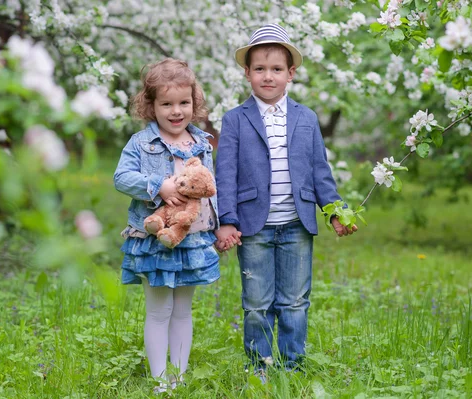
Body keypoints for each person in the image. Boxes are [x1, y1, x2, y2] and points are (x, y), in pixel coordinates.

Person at [214, 24, 357, 376]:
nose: (268, 76)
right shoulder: (235, 120)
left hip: (296, 225)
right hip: (254, 227)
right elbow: (226, 173)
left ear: (291, 73)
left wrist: (336, 212)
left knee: (294, 302)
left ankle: (292, 367)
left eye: (276, 69)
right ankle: (259, 368)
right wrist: (227, 219)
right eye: (259, 69)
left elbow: (319, 171)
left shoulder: (306, 119)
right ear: (246, 72)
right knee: (257, 304)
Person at [114, 58, 219, 393]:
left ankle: (179, 375)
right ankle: (160, 380)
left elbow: (209, 189)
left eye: (184, 103)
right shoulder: (140, 143)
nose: (177, 111)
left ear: (194, 103)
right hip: (157, 240)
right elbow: (122, 177)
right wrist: (158, 185)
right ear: (151, 106)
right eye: (167, 104)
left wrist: (220, 228)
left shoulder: (201, 142)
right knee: (160, 310)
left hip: (192, 240)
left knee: (183, 311)